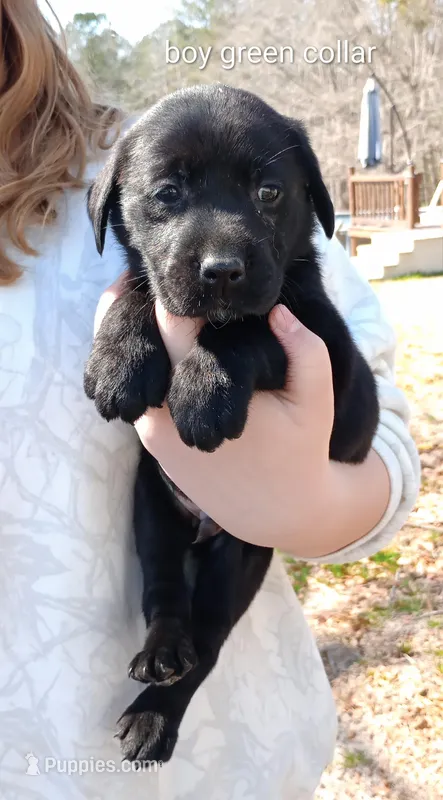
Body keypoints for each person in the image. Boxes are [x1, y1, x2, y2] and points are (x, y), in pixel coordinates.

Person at [0, 2, 420, 798]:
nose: (223, 246)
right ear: (119, 212)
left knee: (222, 569)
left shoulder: (117, 149)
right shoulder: (126, 200)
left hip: (223, 773)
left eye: (266, 194)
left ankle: (177, 677)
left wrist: (315, 501)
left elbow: (376, 430)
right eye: (170, 199)